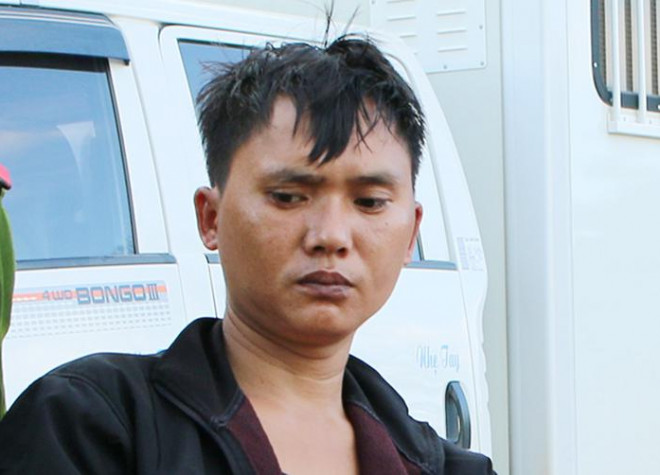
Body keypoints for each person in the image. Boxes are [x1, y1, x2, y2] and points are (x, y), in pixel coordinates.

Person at [0, 37, 495, 474]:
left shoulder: (447, 467)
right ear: (211, 218)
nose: (330, 236)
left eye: (369, 202)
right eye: (288, 196)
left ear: (410, 234)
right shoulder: (90, 426)